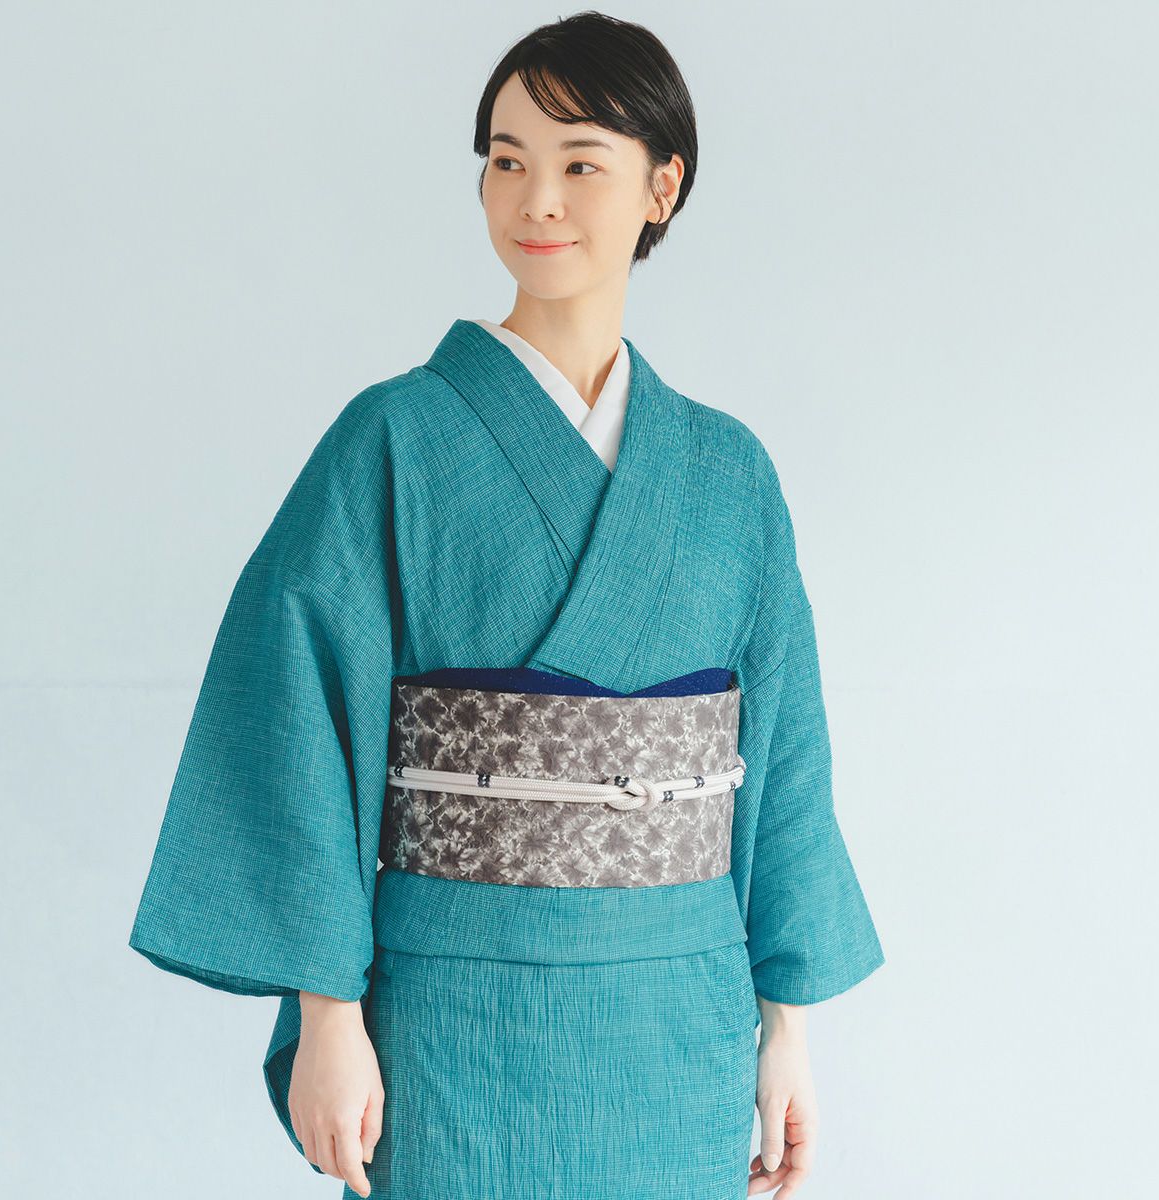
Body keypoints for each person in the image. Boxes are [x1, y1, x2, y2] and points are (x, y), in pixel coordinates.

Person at [128, 11, 885, 1200]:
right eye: (506, 159)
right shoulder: (393, 437)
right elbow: (294, 715)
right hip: (451, 1016)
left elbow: (787, 754)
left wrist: (786, 1028)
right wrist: (327, 1012)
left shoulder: (727, 471)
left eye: (581, 164)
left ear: (662, 186)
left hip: (679, 1018)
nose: (536, 199)